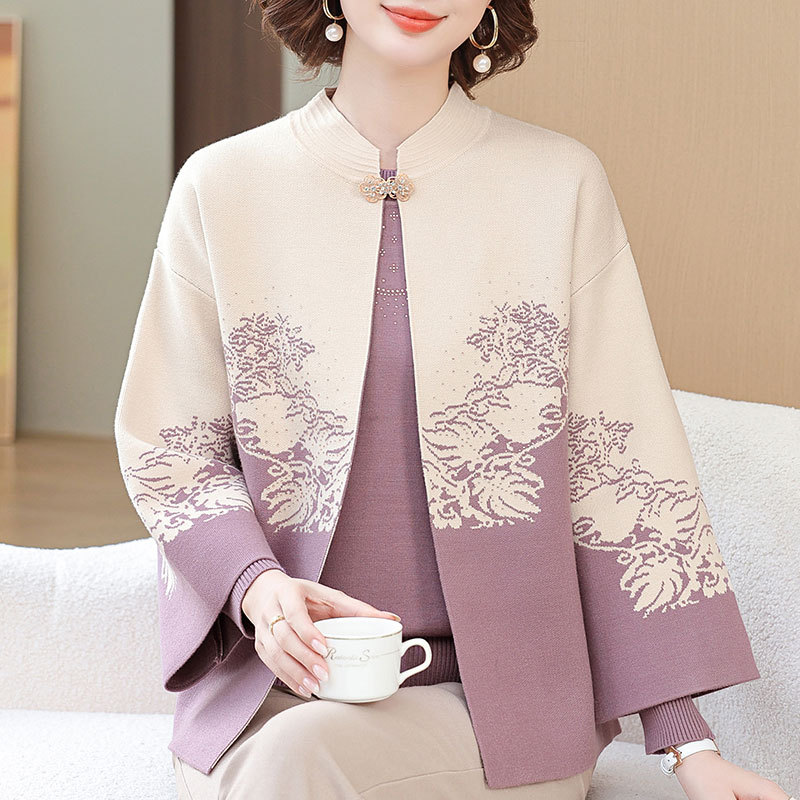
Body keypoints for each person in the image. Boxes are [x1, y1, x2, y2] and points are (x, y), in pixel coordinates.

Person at [113, 1, 795, 798]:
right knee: (285, 751)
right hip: (269, 688)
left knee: (298, 761)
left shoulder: (558, 184)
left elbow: (618, 462)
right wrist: (257, 589)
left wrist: (688, 744)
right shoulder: (222, 186)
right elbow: (170, 449)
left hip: (494, 709)